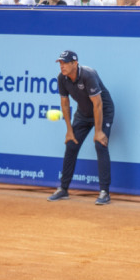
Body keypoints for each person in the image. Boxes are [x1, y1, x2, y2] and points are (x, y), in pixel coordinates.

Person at [48, 51, 114, 206]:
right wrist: (69, 131)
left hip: (103, 111)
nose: (61, 66)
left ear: (74, 63)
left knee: (100, 144)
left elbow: (98, 104)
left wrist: (98, 132)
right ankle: (63, 189)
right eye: (60, 63)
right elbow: (65, 104)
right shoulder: (61, 78)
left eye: (64, 63)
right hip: (83, 113)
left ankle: (104, 192)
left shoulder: (88, 75)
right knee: (71, 144)